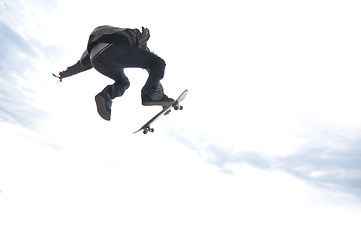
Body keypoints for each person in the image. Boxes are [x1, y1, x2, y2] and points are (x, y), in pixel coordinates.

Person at [54, 25, 174, 121]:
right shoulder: (136, 37)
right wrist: (160, 97)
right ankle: (150, 94)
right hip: (114, 49)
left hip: (95, 59)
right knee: (158, 63)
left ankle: (105, 96)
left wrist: (65, 74)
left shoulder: (101, 35)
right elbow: (151, 68)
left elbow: (81, 65)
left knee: (123, 82)